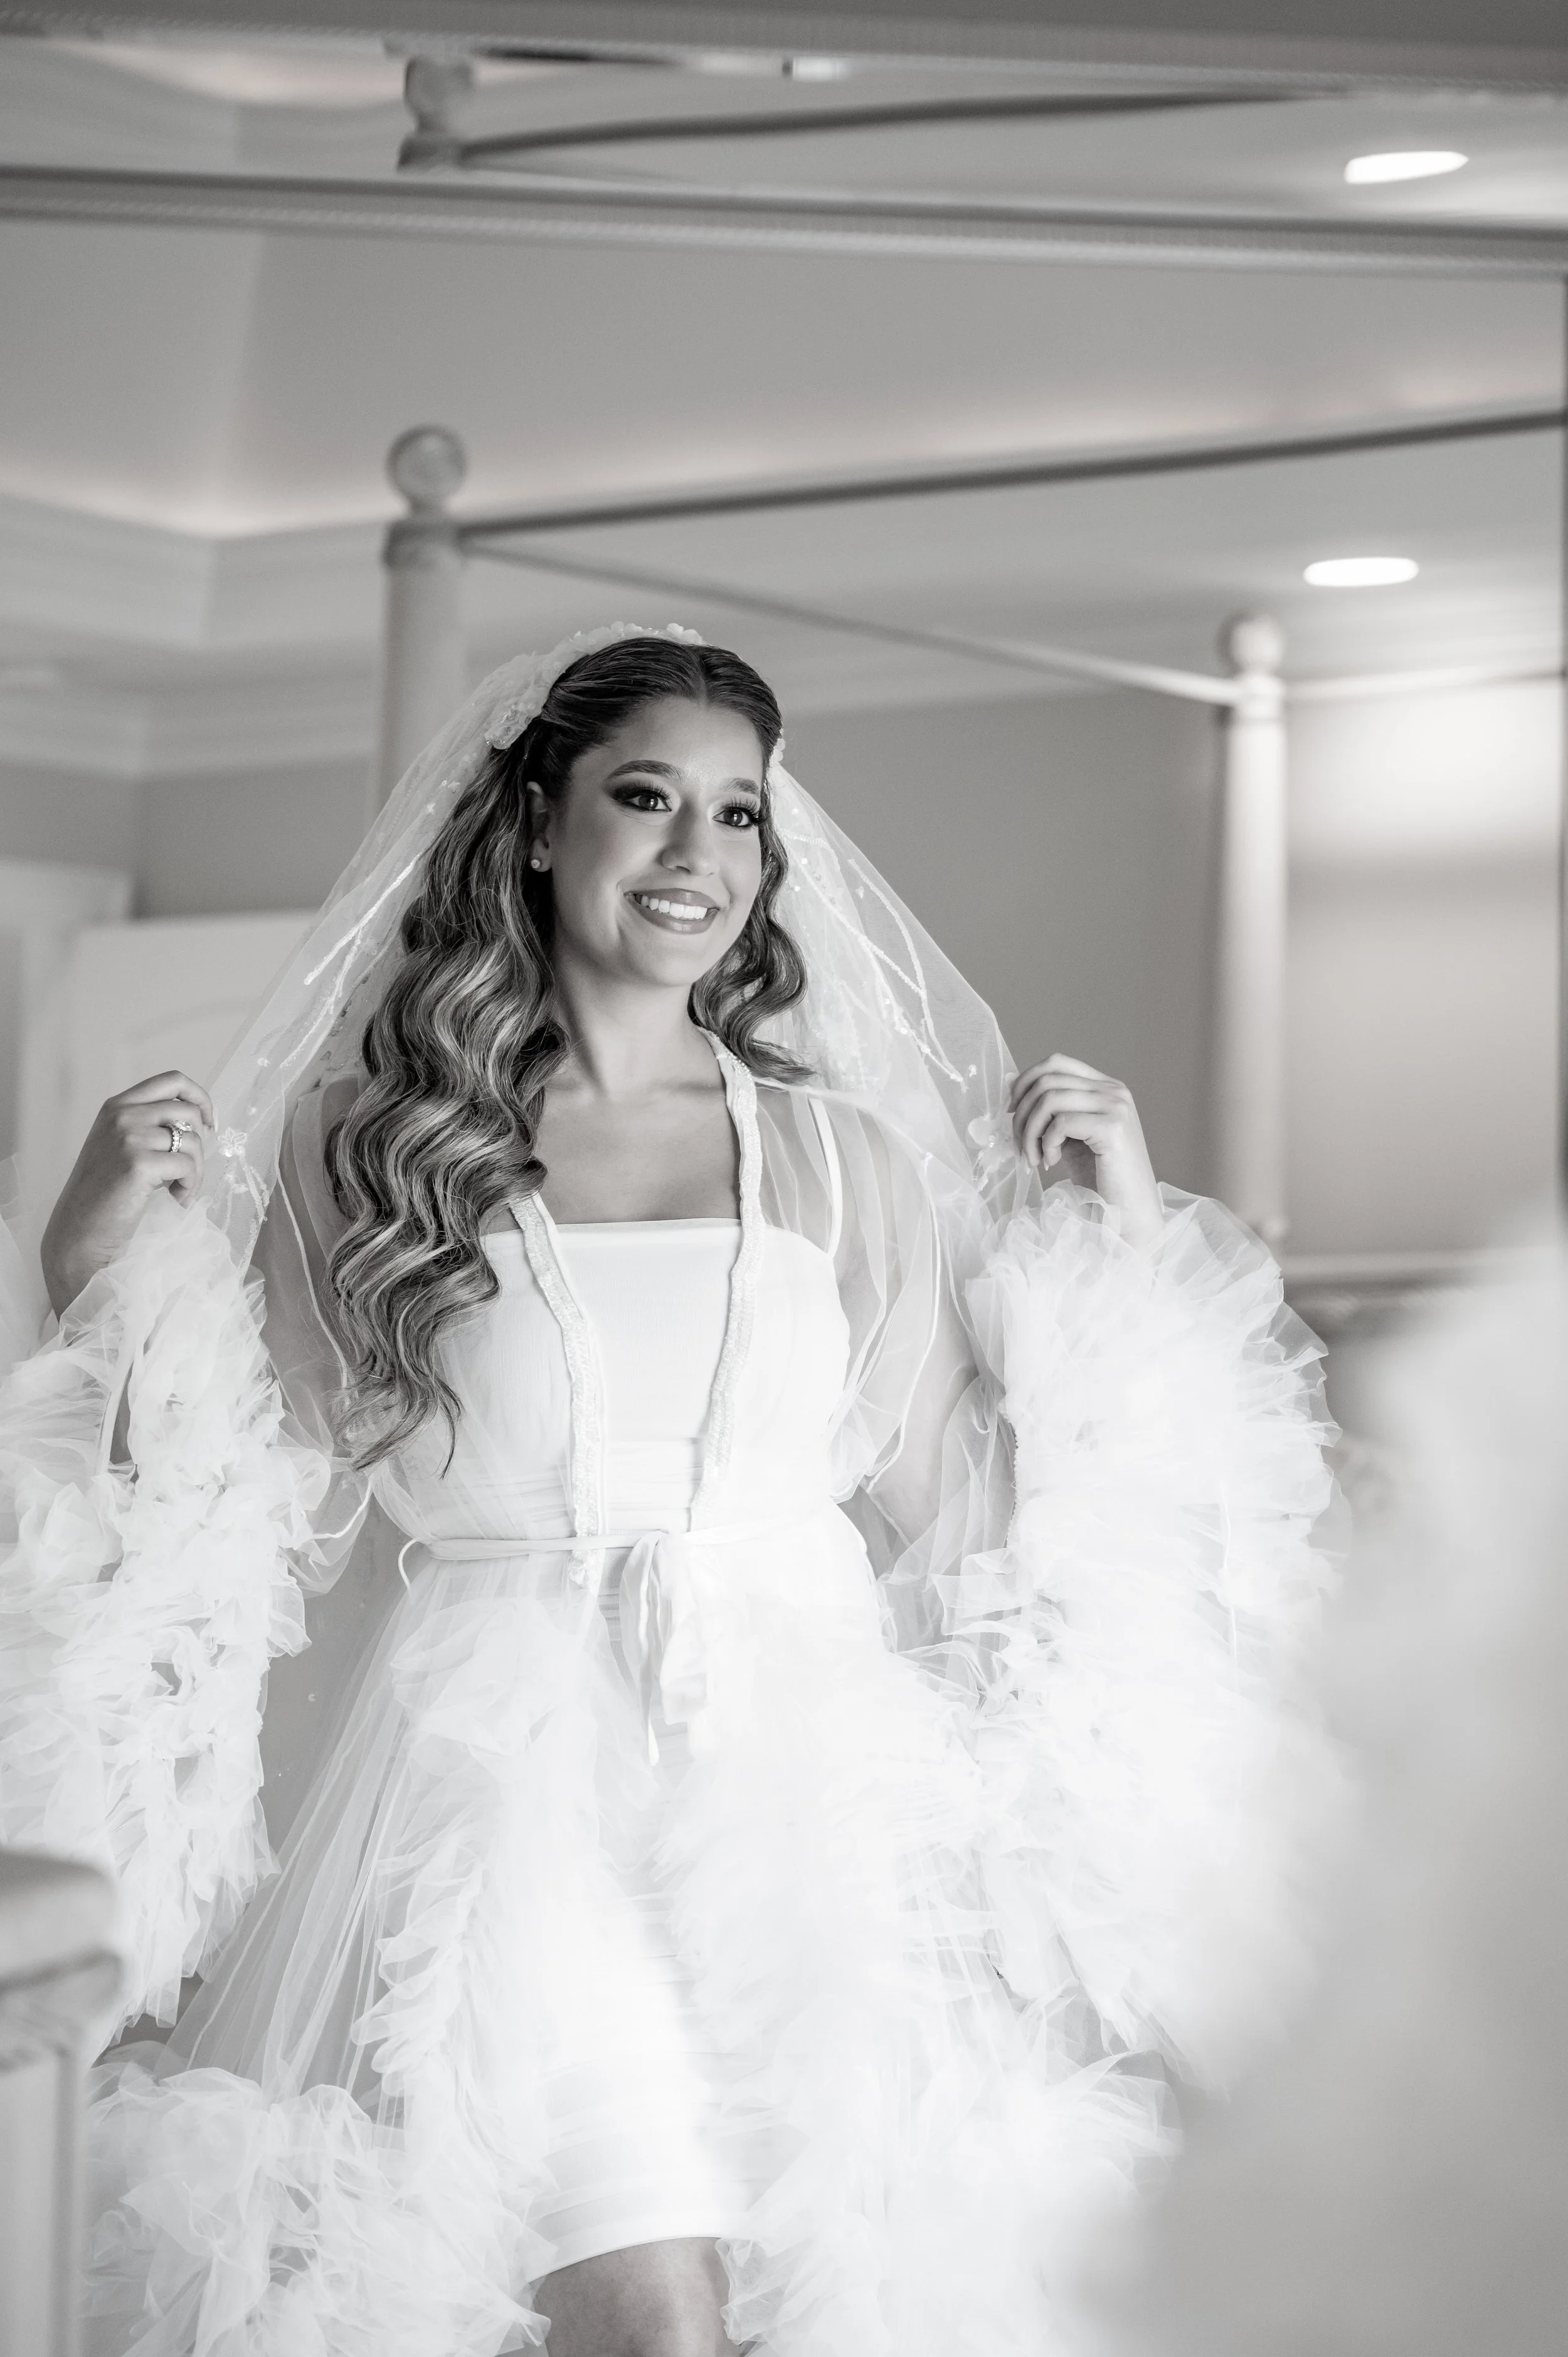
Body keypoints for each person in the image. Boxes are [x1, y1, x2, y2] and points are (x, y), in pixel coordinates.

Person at [1, 628, 1337, 2357]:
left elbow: (969, 1522)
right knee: (651, 2312)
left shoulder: (841, 1155)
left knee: (830, 2306)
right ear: (541, 826)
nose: (696, 854)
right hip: (513, 1819)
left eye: (737, 813)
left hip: (812, 1813)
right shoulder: (378, 1153)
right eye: (645, 797)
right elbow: (205, 1512)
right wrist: (92, 1257)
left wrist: (1125, 1237)